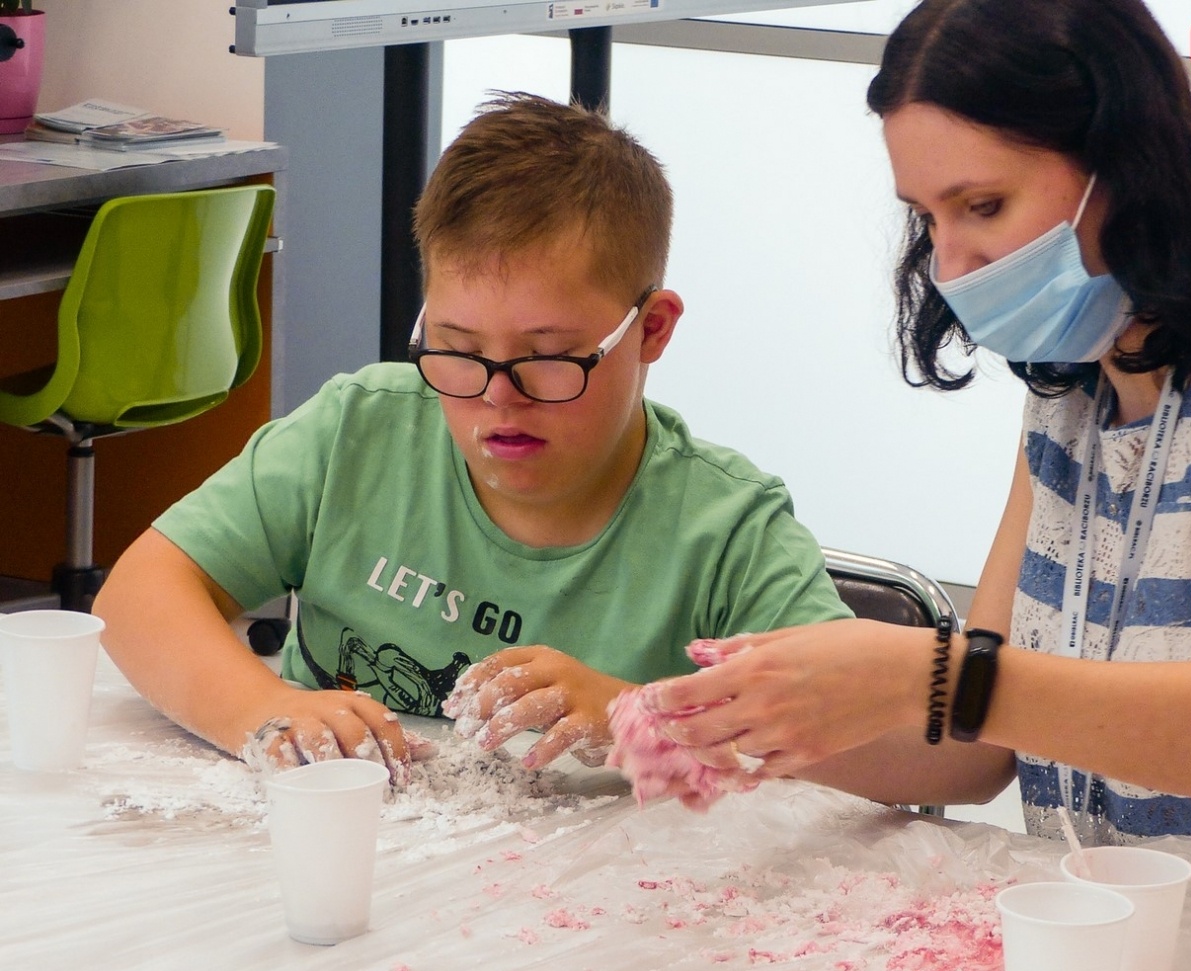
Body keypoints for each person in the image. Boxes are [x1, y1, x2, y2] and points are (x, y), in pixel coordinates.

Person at [656, 0, 1191, 891]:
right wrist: (757, 722)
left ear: (1125, 164)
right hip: (1158, 946)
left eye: (982, 205)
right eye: (927, 218)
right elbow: (976, 747)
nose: (950, 268)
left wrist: (940, 673)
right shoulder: (1076, 392)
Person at [93, 92, 849, 783]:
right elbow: (139, 594)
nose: (497, 398)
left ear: (650, 330)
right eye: (457, 348)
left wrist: (639, 712)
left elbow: (928, 759)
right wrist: (260, 708)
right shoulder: (361, 430)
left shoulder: (722, 531)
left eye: (546, 358)